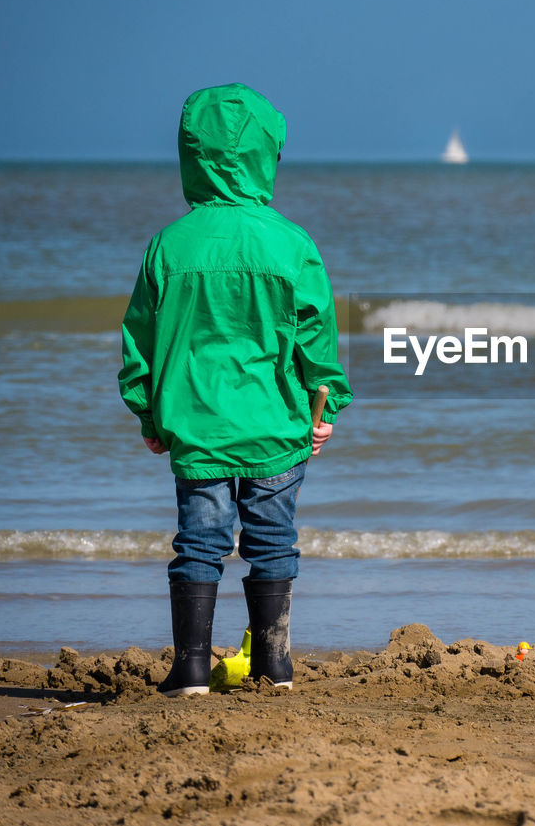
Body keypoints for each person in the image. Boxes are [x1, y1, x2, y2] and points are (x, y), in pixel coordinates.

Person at [119, 83, 352, 696]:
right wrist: (324, 404)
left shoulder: (169, 245)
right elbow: (316, 339)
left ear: (190, 156)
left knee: (200, 542)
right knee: (273, 540)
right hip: (277, 426)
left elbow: (139, 338)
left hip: (197, 427)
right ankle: (275, 666)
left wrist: (147, 412)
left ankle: (192, 667)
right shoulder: (290, 242)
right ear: (265, 156)